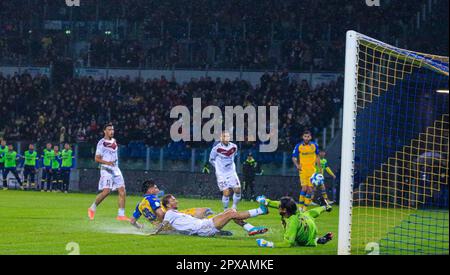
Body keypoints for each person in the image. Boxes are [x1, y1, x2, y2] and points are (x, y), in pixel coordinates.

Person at [153, 194, 268, 237]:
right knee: (231, 214)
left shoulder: (175, 213)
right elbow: (164, 224)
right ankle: (260, 210)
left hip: (204, 225)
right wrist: (154, 233)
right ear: (168, 204)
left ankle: (250, 228)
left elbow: (186, 224)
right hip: (204, 228)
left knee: (230, 211)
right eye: (173, 200)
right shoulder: (168, 214)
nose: (176, 201)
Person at [130, 179, 214, 230]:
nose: (157, 189)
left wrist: (140, 227)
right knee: (206, 211)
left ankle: (209, 226)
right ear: (150, 190)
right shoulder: (152, 198)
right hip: (172, 222)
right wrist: (162, 225)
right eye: (155, 187)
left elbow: (132, 221)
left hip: (163, 227)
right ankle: (214, 227)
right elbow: (161, 214)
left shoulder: (140, 205)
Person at [88, 123, 130, 221]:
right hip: (106, 169)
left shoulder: (114, 141)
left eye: (112, 129)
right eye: (109, 129)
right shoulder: (101, 143)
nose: (112, 131)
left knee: (122, 190)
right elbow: (96, 159)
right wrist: (108, 162)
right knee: (106, 192)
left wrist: (114, 164)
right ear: (105, 131)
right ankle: (92, 208)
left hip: (115, 169)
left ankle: (121, 215)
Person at [255, 196, 333, 248]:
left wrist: (267, 244)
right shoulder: (293, 209)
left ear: (284, 210)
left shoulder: (292, 223)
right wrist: (265, 201)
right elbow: (277, 204)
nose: (278, 207)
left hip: (308, 237)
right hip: (309, 222)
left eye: (280, 207)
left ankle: (316, 240)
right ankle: (325, 207)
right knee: (309, 214)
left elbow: (288, 243)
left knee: (299, 242)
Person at [209, 131, 242, 210]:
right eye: (224, 136)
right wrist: (218, 167)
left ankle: (234, 206)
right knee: (226, 192)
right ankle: (225, 209)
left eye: (227, 136)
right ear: (221, 138)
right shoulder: (216, 148)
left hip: (231, 171)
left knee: (237, 190)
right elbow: (211, 159)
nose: (226, 138)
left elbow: (234, 155)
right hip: (221, 173)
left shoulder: (234, 147)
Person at [292, 130, 321, 211]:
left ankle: (304, 208)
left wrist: (320, 170)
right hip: (303, 170)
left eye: (308, 136)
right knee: (304, 188)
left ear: (310, 137)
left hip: (312, 171)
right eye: (305, 136)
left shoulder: (314, 145)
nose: (306, 138)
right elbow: (293, 157)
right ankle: (300, 207)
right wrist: (297, 165)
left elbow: (318, 157)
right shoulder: (299, 146)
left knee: (310, 190)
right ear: (303, 137)